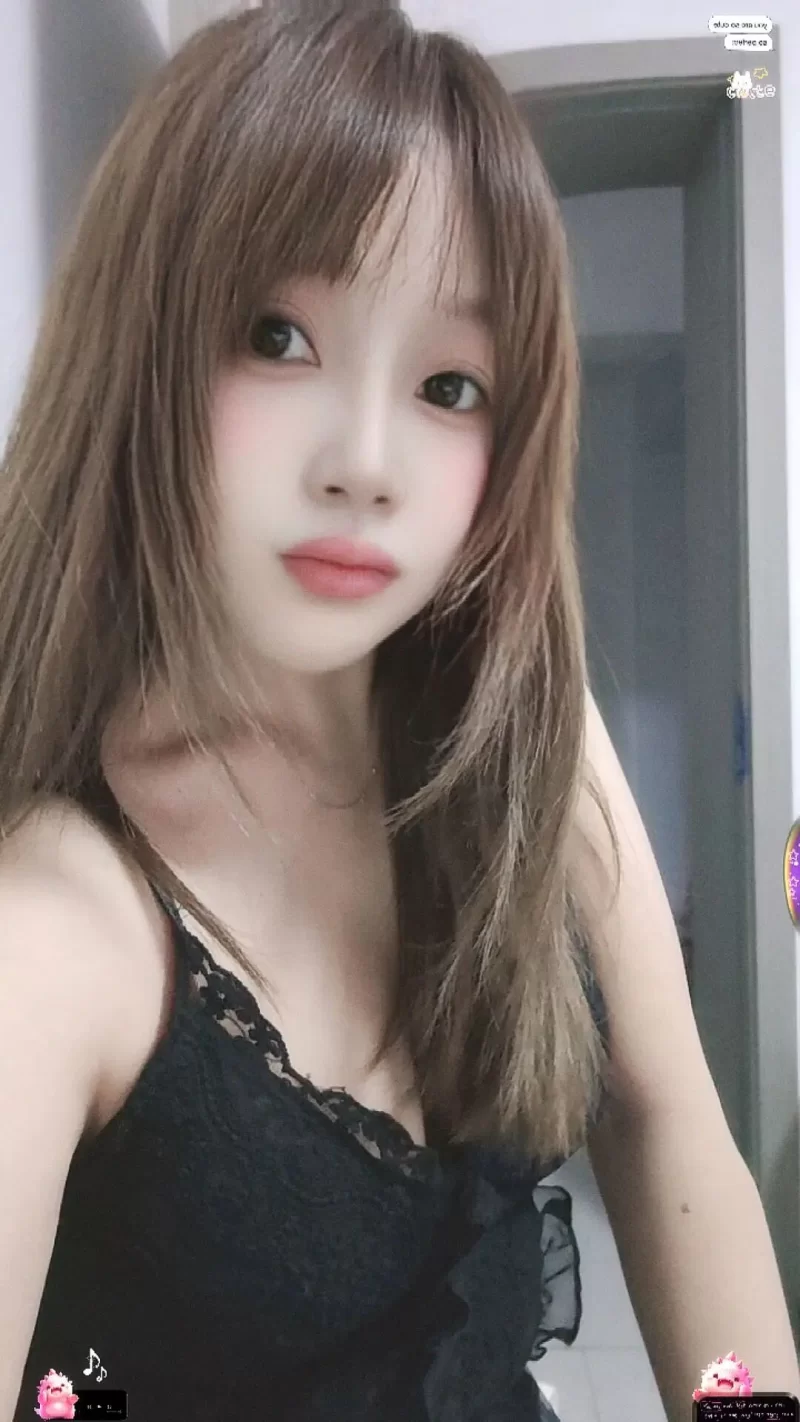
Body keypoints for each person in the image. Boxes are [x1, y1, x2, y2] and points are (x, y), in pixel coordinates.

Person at [1, 5, 797, 1421]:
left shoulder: (522, 735)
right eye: (279, 336)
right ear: (140, 343)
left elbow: (671, 1125)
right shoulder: (59, 929)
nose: (367, 462)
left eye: (448, 384)